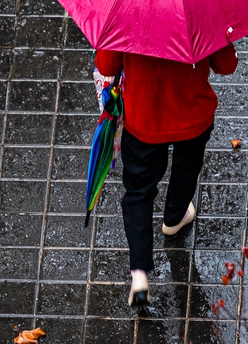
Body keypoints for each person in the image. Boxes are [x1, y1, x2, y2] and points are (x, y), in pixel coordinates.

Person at [94, 44, 238, 307]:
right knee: (187, 168)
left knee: (138, 192)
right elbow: (227, 66)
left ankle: (139, 275)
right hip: (193, 118)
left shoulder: (129, 22)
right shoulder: (200, 20)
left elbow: (106, 65)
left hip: (143, 120)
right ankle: (174, 217)